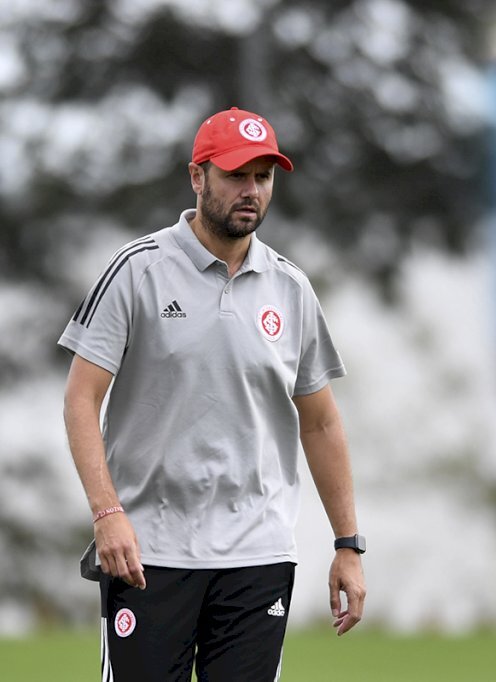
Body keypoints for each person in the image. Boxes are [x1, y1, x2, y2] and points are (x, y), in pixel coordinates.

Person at [60, 106, 366, 681]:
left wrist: (348, 543)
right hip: (149, 553)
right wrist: (107, 514)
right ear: (198, 177)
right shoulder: (136, 270)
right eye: (236, 174)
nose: (252, 190)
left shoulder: (291, 288)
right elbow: (81, 398)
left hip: (259, 554)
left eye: (264, 176)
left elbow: (321, 423)